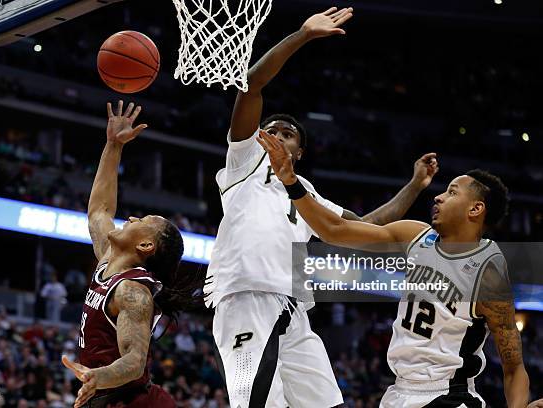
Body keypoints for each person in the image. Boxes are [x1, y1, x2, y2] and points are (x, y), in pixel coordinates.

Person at [205, 7, 440, 408]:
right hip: (246, 294)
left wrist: (415, 185)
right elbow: (251, 88)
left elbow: (365, 226)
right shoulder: (244, 163)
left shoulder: (305, 191)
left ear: (300, 151)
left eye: (288, 133)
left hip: (293, 308)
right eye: (270, 129)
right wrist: (302, 35)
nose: (276, 134)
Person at [257, 130, 538, 407]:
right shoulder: (415, 235)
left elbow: (513, 367)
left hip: (450, 395)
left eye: (452, 192)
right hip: (399, 392)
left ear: (475, 210)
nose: (438, 197)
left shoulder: (487, 271)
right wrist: (292, 182)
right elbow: (335, 231)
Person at [62, 101, 202, 408]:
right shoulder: (107, 262)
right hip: (107, 398)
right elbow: (99, 210)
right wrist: (113, 145)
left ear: (146, 247)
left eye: (143, 222)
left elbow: (135, 361)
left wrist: (99, 376)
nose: (132, 218)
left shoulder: (133, 292)